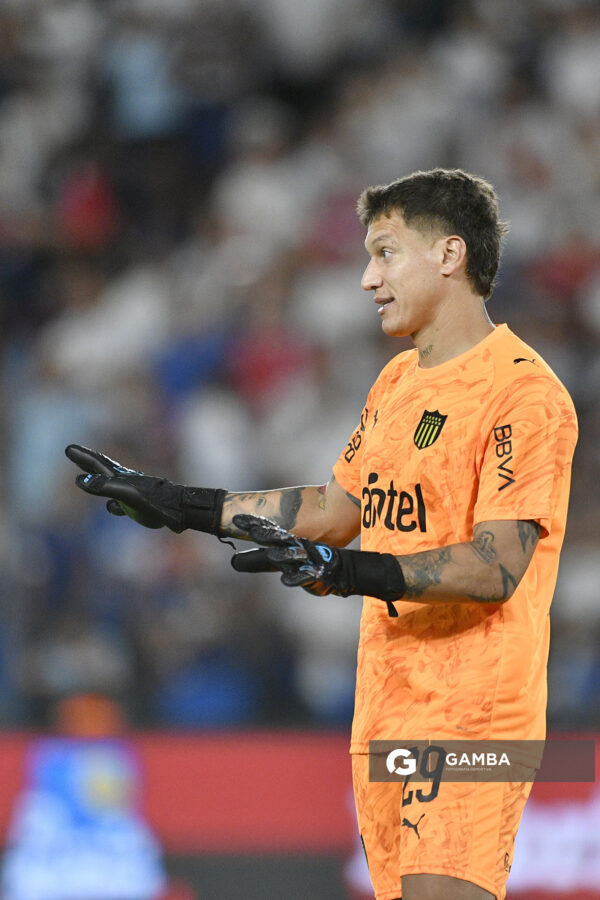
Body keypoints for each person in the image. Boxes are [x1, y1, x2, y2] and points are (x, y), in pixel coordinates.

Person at [66, 168, 578, 900]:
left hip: (474, 713)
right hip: (387, 705)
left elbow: (495, 567)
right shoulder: (399, 383)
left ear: (449, 255)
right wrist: (177, 503)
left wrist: (344, 572)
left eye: (385, 253)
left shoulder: (525, 394)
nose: (368, 279)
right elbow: (336, 511)